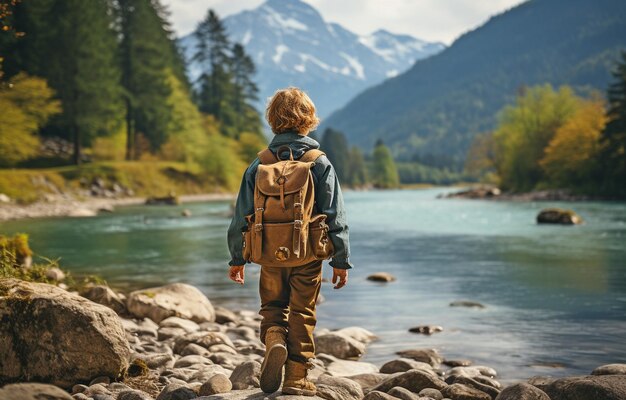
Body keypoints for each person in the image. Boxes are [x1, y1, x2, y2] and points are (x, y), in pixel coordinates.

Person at [227, 87, 352, 396]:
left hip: (268, 252)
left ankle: (274, 340)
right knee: (303, 311)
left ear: (272, 120)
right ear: (308, 120)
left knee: (272, 305)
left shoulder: (260, 164)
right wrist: (340, 260)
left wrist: (237, 258)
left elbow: (241, 215)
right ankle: (296, 377)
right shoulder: (318, 162)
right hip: (308, 254)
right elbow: (335, 215)